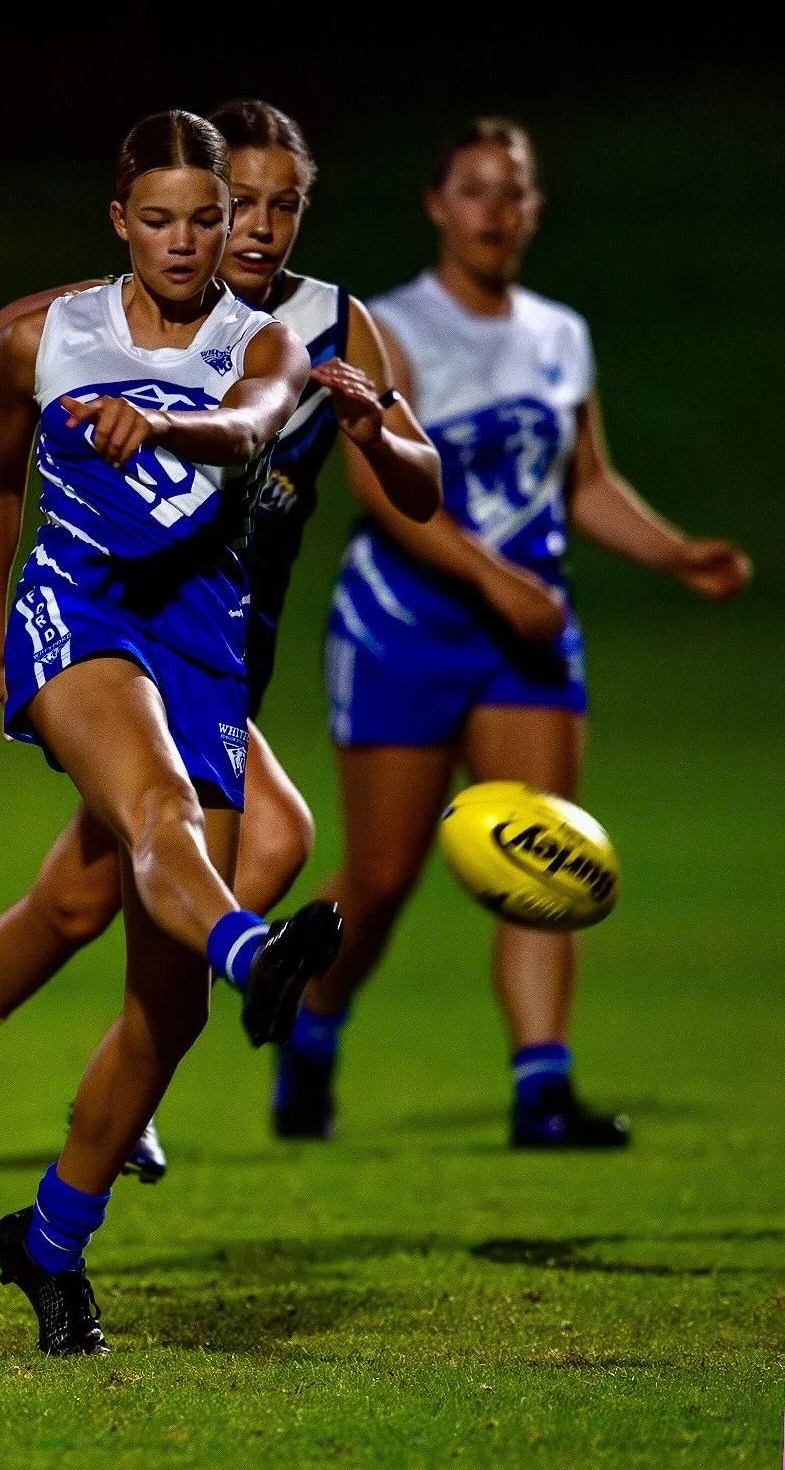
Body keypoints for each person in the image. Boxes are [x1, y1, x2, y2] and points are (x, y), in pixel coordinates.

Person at [0, 101, 440, 1205]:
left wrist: (387, 435)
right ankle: (115, 1089)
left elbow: (402, 479)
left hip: (217, 645)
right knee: (242, 845)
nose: (260, 229)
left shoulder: (320, 330)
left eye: (285, 205)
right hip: (114, 629)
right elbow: (17, 336)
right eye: (248, 204)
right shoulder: (128, 311)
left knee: (89, 898)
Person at [285, 117, 751, 1147]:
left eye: (518, 192)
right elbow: (376, 482)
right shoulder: (389, 328)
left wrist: (674, 553)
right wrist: (497, 584)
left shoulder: (558, 335)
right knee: (383, 874)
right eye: (477, 190)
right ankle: (313, 1024)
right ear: (436, 204)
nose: (499, 211)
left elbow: (583, 484)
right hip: (405, 626)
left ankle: (542, 1089)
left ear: (536, 209)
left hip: (527, 636)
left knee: (536, 857)